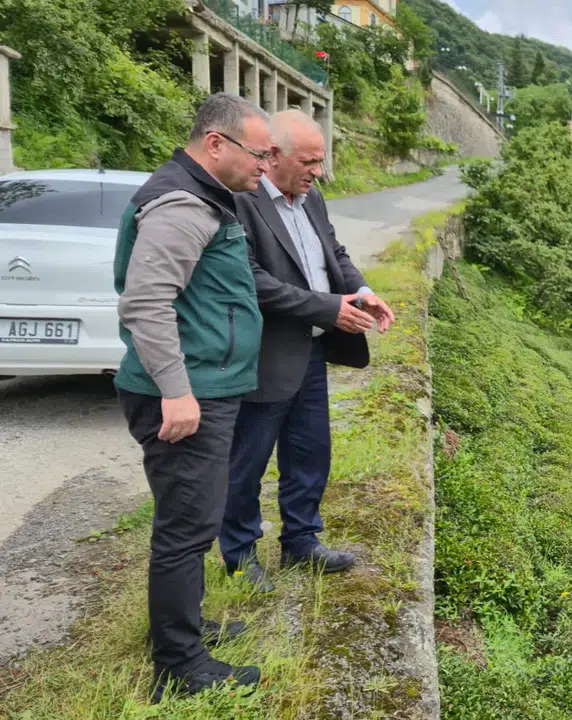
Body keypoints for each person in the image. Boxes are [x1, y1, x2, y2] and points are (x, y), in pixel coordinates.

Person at [113, 92, 272, 703]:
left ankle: (186, 626)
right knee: (186, 528)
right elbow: (146, 302)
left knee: (192, 520)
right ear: (216, 144)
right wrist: (177, 393)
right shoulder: (182, 205)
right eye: (258, 154)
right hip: (185, 396)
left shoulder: (207, 196)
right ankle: (180, 666)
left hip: (205, 388)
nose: (264, 164)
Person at [218, 109, 395, 593]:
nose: (318, 171)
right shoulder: (241, 200)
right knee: (247, 461)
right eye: (310, 161)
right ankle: (239, 555)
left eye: (321, 161)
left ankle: (301, 541)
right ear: (272, 156)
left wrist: (361, 291)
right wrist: (326, 308)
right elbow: (252, 281)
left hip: (312, 353)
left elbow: (334, 253)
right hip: (264, 355)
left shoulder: (311, 197)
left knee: (310, 452)